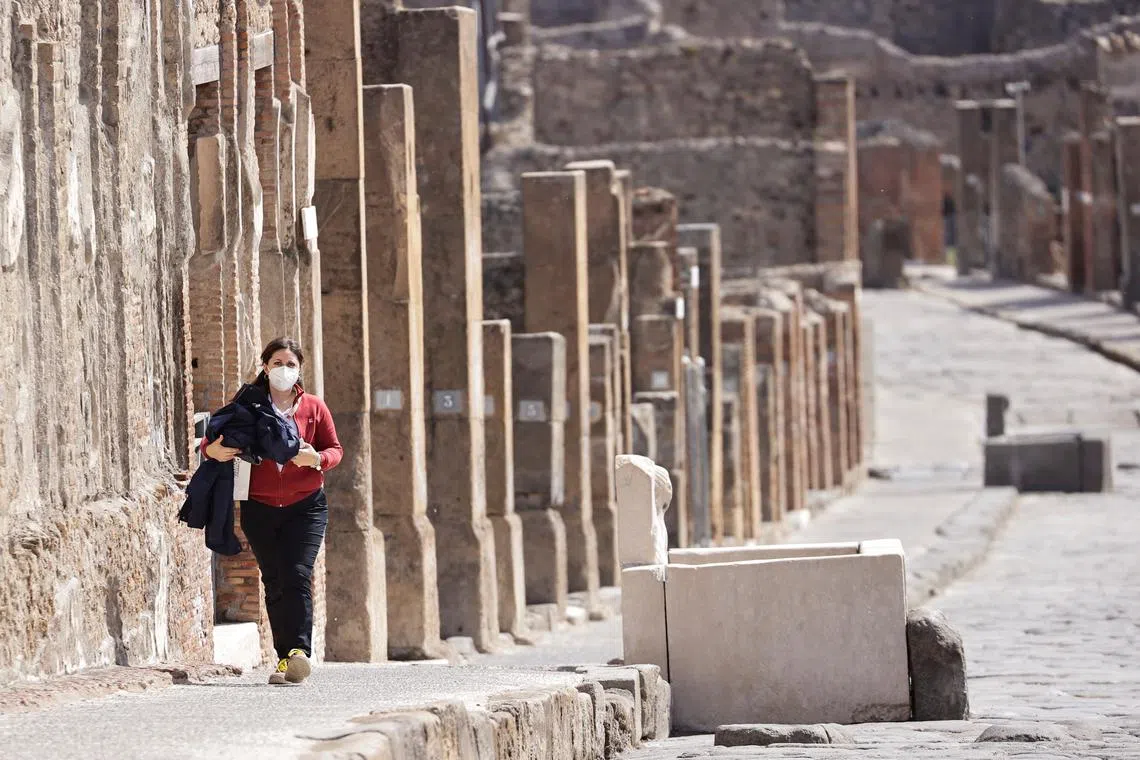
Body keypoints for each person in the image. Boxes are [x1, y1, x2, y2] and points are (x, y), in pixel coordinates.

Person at [203, 337, 342, 685]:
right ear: (265, 367)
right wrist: (211, 451)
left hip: (306, 506)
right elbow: (213, 437)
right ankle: (284, 659)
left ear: (300, 369)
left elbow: (335, 449)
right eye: (277, 363)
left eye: (290, 364)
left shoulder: (313, 407)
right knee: (275, 580)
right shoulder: (248, 405)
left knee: (297, 573)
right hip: (260, 507)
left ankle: (299, 652)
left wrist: (317, 459)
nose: (284, 369)